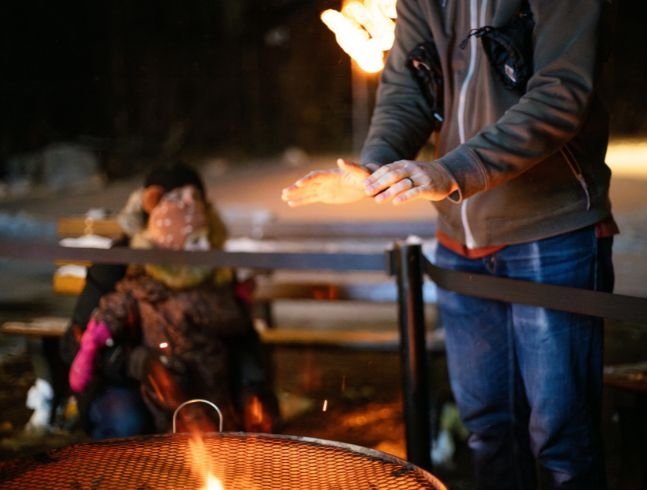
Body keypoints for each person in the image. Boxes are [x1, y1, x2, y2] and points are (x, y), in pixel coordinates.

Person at [282, 1, 615, 489]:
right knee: (487, 431)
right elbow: (406, 90)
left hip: (551, 229)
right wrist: (376, 169)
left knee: (562, 439)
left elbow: (560, 95)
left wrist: (450, 172)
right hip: (459, 238)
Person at [61, 162, 279, 438]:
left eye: (193, 200)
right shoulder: (121, 260)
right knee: (127, 422)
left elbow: (240, 332)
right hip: (123, 380)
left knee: (234, 431)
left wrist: (252, 387)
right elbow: (78, 340)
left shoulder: (211, 261)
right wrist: (138, 362)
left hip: (201, 378)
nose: (186, 208)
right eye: (174, 200)